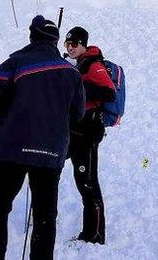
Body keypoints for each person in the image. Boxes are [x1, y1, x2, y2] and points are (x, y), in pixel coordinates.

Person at [0, 16, 84, 260]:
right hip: (50, 151)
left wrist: (4, 120)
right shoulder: (70, 72)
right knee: (45, 216)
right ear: (56, 41)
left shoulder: (16, 62)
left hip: (11, 149)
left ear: (32, 36)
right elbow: (77, 113)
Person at [62, 27, 115, 245]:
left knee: (88, 181)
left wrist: (79, 87)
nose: (70, 47)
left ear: (83, 44)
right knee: (79, 178)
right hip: (75, 131)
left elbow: (108, 91)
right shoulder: (78, 65)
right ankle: (89, 232)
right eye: (67, 44)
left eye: (74, 44)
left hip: (88, 132)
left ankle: (95, 234)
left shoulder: (94, 64)